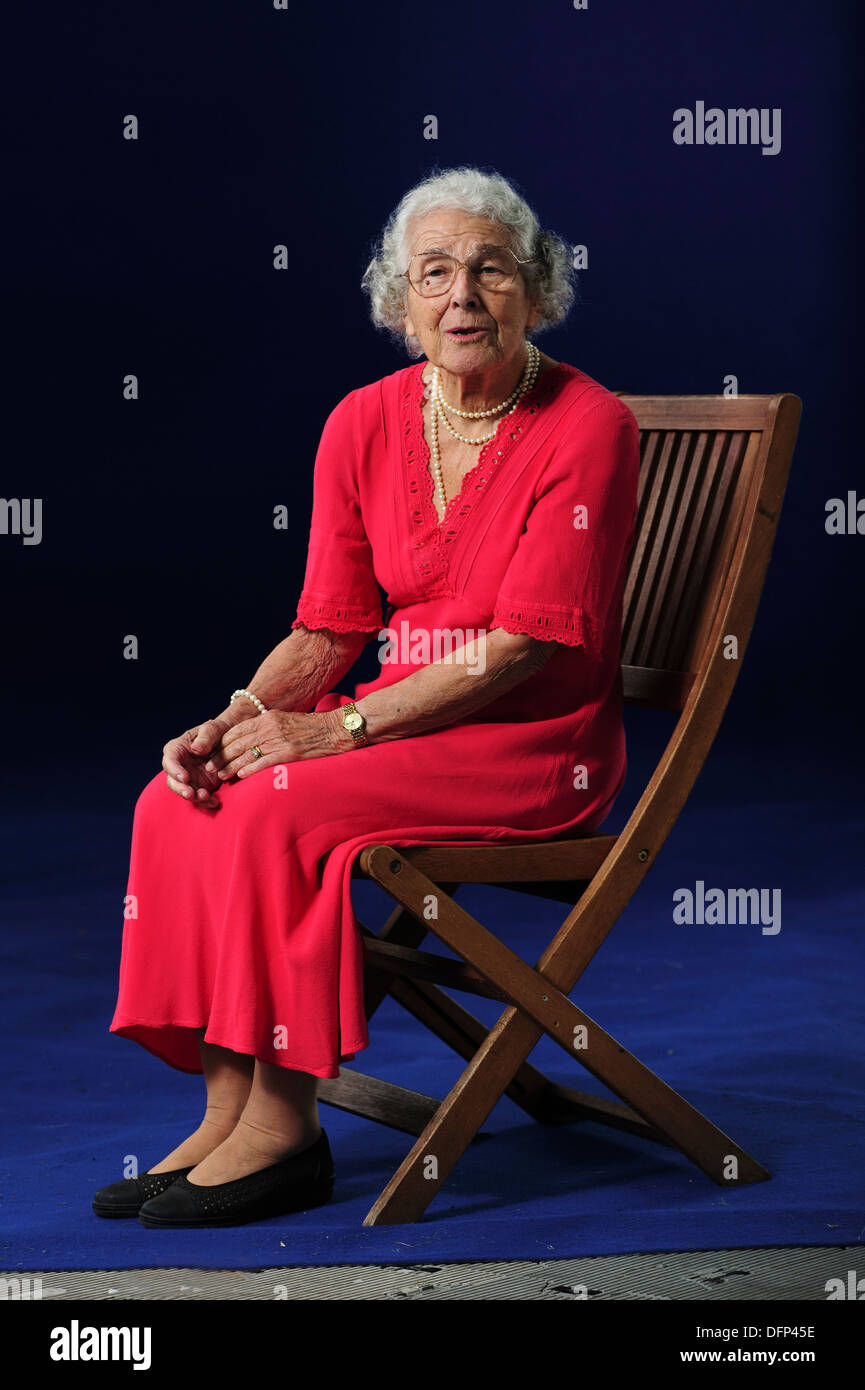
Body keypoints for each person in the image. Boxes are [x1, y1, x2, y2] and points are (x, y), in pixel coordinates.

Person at [94, 165, 640, 1228]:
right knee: (183, 796)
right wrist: (239, 718)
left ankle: (285, 1128)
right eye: (434, 274)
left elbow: (522, 649)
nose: (462, 297)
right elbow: (330, 627)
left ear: (536, 290)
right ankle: (229, 1102)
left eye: (490, 271)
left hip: (530, 743)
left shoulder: (590, 425)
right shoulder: (359, 421)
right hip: (401, 720)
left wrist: (332, 730)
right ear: (400, 302)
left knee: (283, 803)